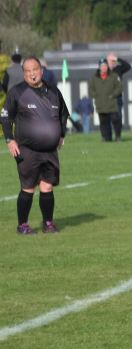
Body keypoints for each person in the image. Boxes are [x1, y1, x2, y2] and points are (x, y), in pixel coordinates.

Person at [1, 57, 69, 235]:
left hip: (50, 151)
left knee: (47, 186)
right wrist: (9, 140)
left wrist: (61, 134)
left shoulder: (54, 91)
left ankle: (48, 223)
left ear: (41, 71)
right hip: (26, 150)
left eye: (35, 70)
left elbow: (63, 114)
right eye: (28, 71)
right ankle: (22, 225)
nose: (32, 74)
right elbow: (5, 117)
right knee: (28, 187)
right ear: (24, 73)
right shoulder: (17, 92)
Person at [89, 58, 122, 142]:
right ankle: (105, 138)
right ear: (99, 67)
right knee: (103, 122)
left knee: (116, 120)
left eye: (105, 66)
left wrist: (113, 95)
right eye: (102, 66)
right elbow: (91, 89)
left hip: (112, 104)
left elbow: (119, 87)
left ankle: (118, 137)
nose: (104, 67)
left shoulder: (114, 76)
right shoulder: (94, 77)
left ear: (107, 66)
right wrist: (96, 96)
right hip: (101, 104)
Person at [106, 52, 131, 124]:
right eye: (110, 60)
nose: (111, 62)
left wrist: (116, 58)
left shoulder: (118, 69)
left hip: (118, 96)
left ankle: (117, 129)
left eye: (113, 60)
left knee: (118, 115)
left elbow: (128, 66)